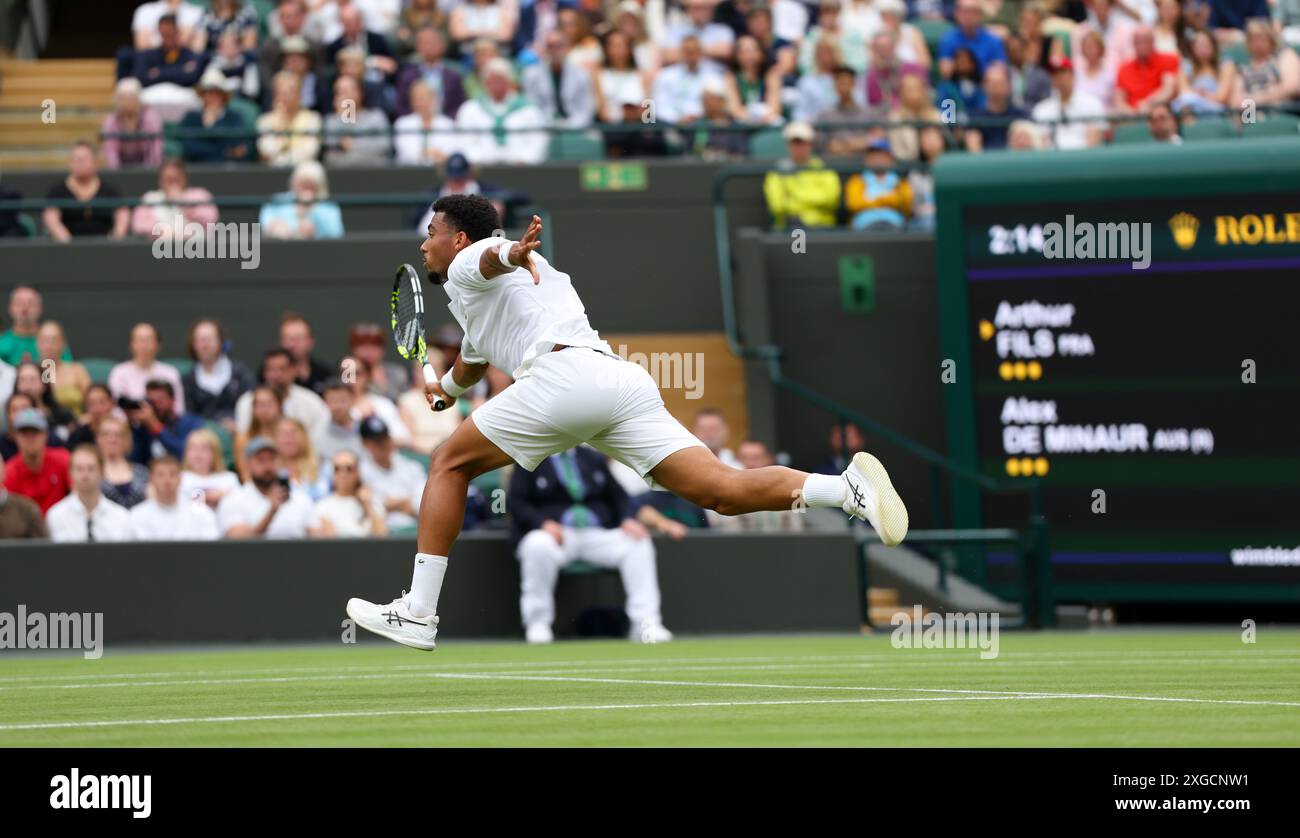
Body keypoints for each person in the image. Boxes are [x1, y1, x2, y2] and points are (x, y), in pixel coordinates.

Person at [345, 196, 908, 650]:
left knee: (447, 463)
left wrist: (513, 252)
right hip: (619, 383)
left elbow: (492, 258)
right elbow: (469, 364)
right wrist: (441, 390)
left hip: (563, 380)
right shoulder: (480, 303)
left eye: (431, 232)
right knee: (722, 491)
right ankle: (846, 489)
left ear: (459, 239)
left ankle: (418, 612)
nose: (424, 244)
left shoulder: (478, 261)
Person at [509, 446, 673, 644]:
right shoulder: (530, 456)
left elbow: (619, 497)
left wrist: (627, 519)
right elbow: (516, 502)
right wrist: (542, 522)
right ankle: (537, 623)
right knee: (537, 544)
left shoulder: (591, 457)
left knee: (638, 542)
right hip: (556, 535)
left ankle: (646, 625)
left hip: (596, 534)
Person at [454, 58, 549, 165]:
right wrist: (478, 160)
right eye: (492, 80)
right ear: (485, 82)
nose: (496, 85)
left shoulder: (529, 110)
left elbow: (538, 141)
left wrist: (524, 159)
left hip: (521, 170)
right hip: (482, 169)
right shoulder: (470, 109)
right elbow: (464, 142)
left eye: (500, 80)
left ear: (509, 81)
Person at [217, 436, 315, 538]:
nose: (267, 466)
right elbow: (238, 540)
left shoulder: (299, 498)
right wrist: (272, 512)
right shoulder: (233, 500)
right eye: (261, 460)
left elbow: (317, 536)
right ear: (248, 464)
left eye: (271, 459)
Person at [233, 348, 328, 442]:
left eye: (282, 369)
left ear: (294, 370)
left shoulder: (311, 402)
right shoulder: (247, 401)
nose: (276, 375)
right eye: (271, 369)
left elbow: (321, 433)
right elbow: (244, 437)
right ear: (264, 372)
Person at [43, 142, 130, 242]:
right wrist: (68, 243)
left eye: (83, 159)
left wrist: (115, 239)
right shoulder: (57, 192)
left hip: (104, 248)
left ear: (95, 162)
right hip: (67, 251)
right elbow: (51, 218)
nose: (78, 163)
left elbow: (123, 214)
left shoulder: (109, 190)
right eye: (75, 159)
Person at [762, 121, 842, 230]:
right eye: (795, 143)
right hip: (790, 230)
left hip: (823, 227)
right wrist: (814, 203)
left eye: (803, 143)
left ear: (811, 144)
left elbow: (832, 199)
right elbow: (777, 205)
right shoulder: (777, 171)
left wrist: (795, 196)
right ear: (788, 145)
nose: (799, 147)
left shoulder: (824, 168)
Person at [45, 445, 133, 543]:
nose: (85, 475)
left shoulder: (121, 517)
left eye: (91, 468)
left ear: (102, 472)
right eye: (79, 469)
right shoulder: (56, 516)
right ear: (70, 473)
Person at [182, 317, 257, 429]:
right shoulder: (188, 380)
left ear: (221, 342)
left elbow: (253, 403)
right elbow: (188, 415)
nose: (205, 345)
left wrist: (238, 426)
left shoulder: (240, 372)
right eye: (200, 340)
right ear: (193, 345)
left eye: (210, 339)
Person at [357, 415, 425, 531]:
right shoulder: (360, 471)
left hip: (416, 528)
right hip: (382, 533)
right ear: (365, 444)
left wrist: (401, 505)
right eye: (376, 441)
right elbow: (366, 508)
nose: (383, 444)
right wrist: (400, 503)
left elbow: (425, 505)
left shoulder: (411, 467)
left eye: (385, 438)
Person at [129, 454, 220, 540]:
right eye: (160, 475)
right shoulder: (137, 514)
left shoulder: (202, 513)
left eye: (172, 474)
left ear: (180, 478)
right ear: (152, 479)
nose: (167, 480)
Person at [521, 29, 598, 128]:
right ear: (545, 49)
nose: (555, 50)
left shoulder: (581, 75)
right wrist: (549, 124)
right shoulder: (531, 74)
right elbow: (530, 107)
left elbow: (587, 108)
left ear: (567, 48)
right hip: (543, 128)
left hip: (575, 129)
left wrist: (570, 125)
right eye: (550, 46)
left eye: (558, 46)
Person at [129, 157, 220, 239]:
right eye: (168, 179)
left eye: (176, 179)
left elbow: (211, 219)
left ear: (185, 178)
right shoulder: (150, 198)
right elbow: (138, 226)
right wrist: (164, 232)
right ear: (161, 180)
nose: (173, 184)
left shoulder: (200, 195)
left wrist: (183, 202)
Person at [108, 322, 187, 414]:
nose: (144, 345)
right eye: (140, 340)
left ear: (158, 345)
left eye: (149, 340)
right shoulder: (119, 372)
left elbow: (179, 408)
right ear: (131, 345)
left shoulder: (170, 373)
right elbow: (115, 408)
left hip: (163, 425)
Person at [2, 408, 70, 514]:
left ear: (46, 434)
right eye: (24, 433)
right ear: (15, 437)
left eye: (35, 432)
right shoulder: (9, 472)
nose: (30, 438)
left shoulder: (63, 459)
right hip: (25, 529)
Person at [178, 68, 253, 163]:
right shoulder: (191, 118)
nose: (211, 97)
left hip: (229, 170)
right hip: (198, 170)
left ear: (223, 96)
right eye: (207, 93)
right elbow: (190, 149)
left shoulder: (235, 118)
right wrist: (224, 151)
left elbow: (239, 147)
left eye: (216, 93)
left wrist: (212, 127)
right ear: (202, 96)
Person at [1032, 56, 1107, 149]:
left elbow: (1094, 139)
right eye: (1054, 74)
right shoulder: (1042, 109)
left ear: (1072, 75)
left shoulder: (1092, 103)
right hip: (1053, 159)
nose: (1059, 78)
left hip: (1083, 159)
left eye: (1063, 73)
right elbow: (1042, 142)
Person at [259, 161, 345, 240]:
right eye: (303, 183)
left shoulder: (329, 207)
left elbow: (336, 233)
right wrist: (282, 230)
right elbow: (265, 224)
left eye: (311, 185)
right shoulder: (277, 201)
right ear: (293, 182)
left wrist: (312, 214)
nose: (306, 188)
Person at [310, 449, 388, 536]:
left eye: (349, 469)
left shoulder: (373, 503)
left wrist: (368, 506)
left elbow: (382, 537)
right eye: (337, 469)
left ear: (358, 473)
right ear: (331, 473)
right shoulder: (322, 507)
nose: (343, 474)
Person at [844, 138, 912, 231]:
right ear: (867, 159)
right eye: (873, 154)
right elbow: (854, 204)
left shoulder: (899, 181)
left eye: (882, 155)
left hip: (894, 225)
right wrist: (888, 200)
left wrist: (871, 201)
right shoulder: (857, 180)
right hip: (865, 226)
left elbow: (906, 202)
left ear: (890, 159)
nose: (877, 158)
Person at [322, 75, 393, 164]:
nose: (342, 97)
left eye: (345, 92)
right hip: (342, 173)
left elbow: (384, 145)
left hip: (375, 172)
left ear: (359, 93)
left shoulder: (376, 117)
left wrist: (353, 145)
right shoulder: (332, 120)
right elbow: (330, 153)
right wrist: (344, 117)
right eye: (338, 93)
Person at [256, 71, 323, 165]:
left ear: (299, 95)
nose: (285, 98)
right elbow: (267, 150)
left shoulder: (313, 119)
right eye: (281, 93)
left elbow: (309, 152)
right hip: (273, 172)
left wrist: (281, 154)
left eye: (289, 93)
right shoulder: (265, 121)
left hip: (302, 171)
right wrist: (281, 123)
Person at [129, 378, 204, 461]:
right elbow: (133, 459)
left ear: (172, 400)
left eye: (160, 401)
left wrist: (156, 427)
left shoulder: (191, 422)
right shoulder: (143, 427)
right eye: (151, 402)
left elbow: (185, 454)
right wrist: (132, 424)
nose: (155, 406)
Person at [101, 77, 164, 170]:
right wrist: (117, 173)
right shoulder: (110, 121)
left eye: (130, 97)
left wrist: (149, 172)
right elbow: (110, 152)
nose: (126, 102)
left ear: (138, 99)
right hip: (119, 172)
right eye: (122, 98)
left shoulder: (151, 118)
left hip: (148, 171)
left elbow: (155, 149)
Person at [393, 80, 461, 165]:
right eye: (418, 98)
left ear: (434, 99)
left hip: (440, 170)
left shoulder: (448, 124)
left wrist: (439, 155)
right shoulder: (402, 124)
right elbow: (408, 152)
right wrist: (429, 153)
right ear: (412, 101)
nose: (422, 102)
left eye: (426, 97)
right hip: (409, 172)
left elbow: (452, 150)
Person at [2, 286, 72, 367]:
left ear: (40, 308)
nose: (25, 309)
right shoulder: (2, 344)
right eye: (19, 303)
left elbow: (68, 371)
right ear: (10, 308)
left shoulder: (53, 341)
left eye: (31, 303)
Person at [97, 415, 151, 508]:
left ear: (126, 439)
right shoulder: (92, 472)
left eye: (117, 435)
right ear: (98, 439)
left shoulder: (142, 472)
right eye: (106, 434)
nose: (111, 439)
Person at [181, 426, 242, 508]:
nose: (198, 454)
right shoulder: (180, 478)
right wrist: (207, 497)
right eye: (193, 448)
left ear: (215, 453)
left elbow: (240, 505)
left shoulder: (230, 478)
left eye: (204, 449)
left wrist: (223, 496)